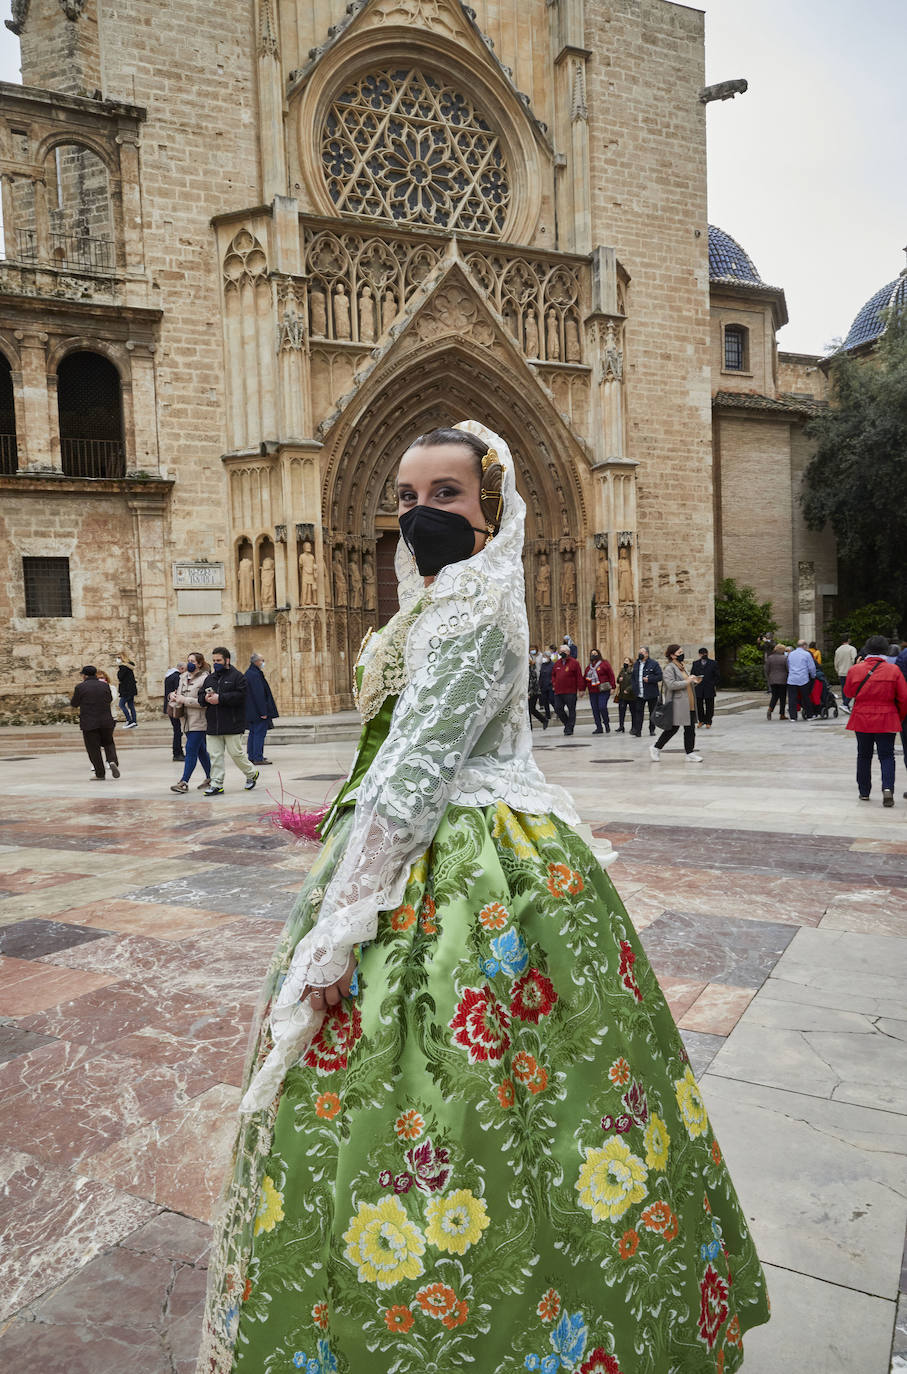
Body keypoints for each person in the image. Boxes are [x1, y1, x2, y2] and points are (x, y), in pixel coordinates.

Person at [196, 420, 768, 1374]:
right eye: (409, 497)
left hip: (469, 868)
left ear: (491, 509)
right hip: (454, 847)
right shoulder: (440, 604)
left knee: (462, 1092)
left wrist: (337, 936)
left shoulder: (467, 607)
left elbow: (415, 778)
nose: (422, 514)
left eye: (447, 495)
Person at [843, 635, 907, 807]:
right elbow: (903, 698)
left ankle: (864, 791)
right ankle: (887, 789)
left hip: (862, 717)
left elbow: (848, 693)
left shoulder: (856, 670)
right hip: (887, 717)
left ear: (867, 650)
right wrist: (898, 717)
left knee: (863, 755)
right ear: (886, 650)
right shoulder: (894, 671)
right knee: (887, 756)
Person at [197, 648, 259, 796]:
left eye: (218, 660)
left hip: (232, 723)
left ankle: (252, 773)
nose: (216, 663)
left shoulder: (238, 677)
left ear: (227, 660)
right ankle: (217, 784)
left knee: (236, 753)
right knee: (215, 755)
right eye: (214, 661)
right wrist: (205, 698)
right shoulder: (210, 678)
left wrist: (221, 698)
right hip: (213, 724)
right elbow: (200, 695)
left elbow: (241, 696)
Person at [650, 644, 703, 763]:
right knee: (672, 728)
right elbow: (671, 685)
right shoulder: (670, 668)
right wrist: (687, 680)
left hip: (689, 703)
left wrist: (694, 681)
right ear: (672, 655)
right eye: (679, 653)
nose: (682, 654)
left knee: (690, 729)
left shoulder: (682, 667)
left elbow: (686, 683)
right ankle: (656, 747)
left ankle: (690, 753)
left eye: (682, 652)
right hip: (677, 704)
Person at [169, 653, 212, 793]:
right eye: (188, 661)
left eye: (192, 661)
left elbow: (204, 703)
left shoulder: (205, 679)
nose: (189, 664)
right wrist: (173, 696)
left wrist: (184, 700)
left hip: (199, 721)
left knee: (191, 749)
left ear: (199, 664)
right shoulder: (182, 678)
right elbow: (178, 694)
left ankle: (184, 782)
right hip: (185, 721)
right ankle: (211, 777)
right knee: (201, 751)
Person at [70, 665, 120, 781]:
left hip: (89, 722)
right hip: (106, 720)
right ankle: (112, 760)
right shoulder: (105, 686)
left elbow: (74, 703)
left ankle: (100, 773)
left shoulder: (80, 687)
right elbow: (108, 700)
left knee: (93, 748)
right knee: (108, 743)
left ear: (84, 675)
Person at [245, 651, 279, 765]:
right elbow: (259, 694)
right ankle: (258, 757)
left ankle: (252, 756)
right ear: (256, 662)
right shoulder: (255, 675)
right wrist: (263, 711)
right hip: (258, 711)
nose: (263, 662)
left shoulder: (250, 673)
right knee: (259, 734)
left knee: (253, 733)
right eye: (262, 660)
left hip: (252, 711)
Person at [551, 642, 585, 735]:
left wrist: (581, 689)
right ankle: (567, 724)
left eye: (564, 651)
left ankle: (570, 728)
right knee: (558, 708)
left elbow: (579, 676)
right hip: (558, 691)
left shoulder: (574, 663)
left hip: (570, 691)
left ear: (568, 652)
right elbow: (553, 675)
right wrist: (554, 683)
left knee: (571, 710)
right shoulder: (557, 663)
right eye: (560, 651)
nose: (562, 653)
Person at [629, 645, 662, 736]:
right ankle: (638, 731)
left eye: (642, 652)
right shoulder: (636, 664)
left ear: (647, 654)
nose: (640, 653)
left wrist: (649, 679)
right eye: (639, 652)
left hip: (651, 693)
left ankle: (652, 729)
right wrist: (634, 687)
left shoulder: (653, 663)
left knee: (652, 712)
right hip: (639, 693)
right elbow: (633, 678)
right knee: (638, 712)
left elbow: (659, 676)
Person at [584, 649, 615, 733]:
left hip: (603, 690)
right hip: (592, 691)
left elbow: (611, 675)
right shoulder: (589, 667)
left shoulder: (604, 664)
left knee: (602, 707)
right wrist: (582, 689)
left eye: (595, 653)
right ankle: (599, 727)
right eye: (592, 654)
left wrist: (613, 687)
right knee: (595, 709)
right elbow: (585, 679)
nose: (593, 655)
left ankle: (606, 724)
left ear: (599, 654)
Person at [786, 639, 816, 721]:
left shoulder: (791, 654)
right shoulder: (806, 654)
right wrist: (813, 676)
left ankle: (793, 717)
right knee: (806, 697)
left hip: (792, 679)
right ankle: (809, 715)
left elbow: (788, 665)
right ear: (804, 645)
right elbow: (811, 667)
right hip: (803, 678)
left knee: (792, 698)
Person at [164, 661, 187, 760]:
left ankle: (178, 751)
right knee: (178, 731)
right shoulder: (177, 677)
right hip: (175, 708)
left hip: (170, 706)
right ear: (181, 669)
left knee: (177, 730)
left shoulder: (169, 676)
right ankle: (177, 753)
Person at [693, 647, 719, 728]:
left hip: (709, 688)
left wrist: (713, 684)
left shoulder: (713, 663)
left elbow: (717, 676)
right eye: (702, 654)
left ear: (707, 654)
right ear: (699, 654)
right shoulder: (695, 663)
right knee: (699, 705)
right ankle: (701, 720)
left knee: (709, 706)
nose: (704, 655)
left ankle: (708, 721)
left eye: (705, 654)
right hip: (699, 688)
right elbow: (692, 674)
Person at [765, 643, 789, 720]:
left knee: (774, 696)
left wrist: (769, 677)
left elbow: (767, 670)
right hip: (783, 680)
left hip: (772, 680)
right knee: (782, 698)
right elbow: (788, 669)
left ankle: (770, 709)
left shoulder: (770, 658)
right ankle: (782, 714)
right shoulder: (785, 658)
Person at [834, 635, 857, 712]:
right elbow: (854, 660)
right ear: (848, 640)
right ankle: (845, 704)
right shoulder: (852, 649)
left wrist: (838, 671)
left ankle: (845, 705)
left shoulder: (838, 650)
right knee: (853, 689)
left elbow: (836, 663)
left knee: (844, 689)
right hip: (850, 672)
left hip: (841, 672)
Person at [115, 652, 138, 728]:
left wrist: (119, 668)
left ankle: (129, 720)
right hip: (131, 689)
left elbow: (120, 677)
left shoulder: (123, 667)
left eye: (118, 658)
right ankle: (134, 722)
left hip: (126, 690)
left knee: (121, 704)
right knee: (131, 705)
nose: (117, 659)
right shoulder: (129, 665)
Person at [614, 655, 635, 732]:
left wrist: (628, 689)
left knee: (633, 711)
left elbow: (634, 682)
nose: (625, 662)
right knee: (621, 711)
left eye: (627, 661)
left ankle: (633, 727)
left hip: (631, 695)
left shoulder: (633, 671)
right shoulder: (622, 670)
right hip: (622, 695)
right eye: (624, 661)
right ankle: (621, 726)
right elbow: (618, 680)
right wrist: (619, 679)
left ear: (630, 663)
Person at [527, 653, 548, 728]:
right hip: (529, 693)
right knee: (531, 709)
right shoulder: (525, 670)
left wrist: (529, 694)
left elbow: (532, 683)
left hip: (534, 693)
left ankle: (530, 726)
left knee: (530, 709)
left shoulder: (531, 671)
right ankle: (543, 720)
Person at [537, 651, 556, 723]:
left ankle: (557, 711)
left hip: (550, 685)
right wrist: (540, 684)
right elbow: (541, 675)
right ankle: (548, 715)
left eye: (545, 656)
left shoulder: (553, 665)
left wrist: (553, 683)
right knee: (545, 701)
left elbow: (554, 675)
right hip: (543, 686)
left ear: (548, 657)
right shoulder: (543, 665)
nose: (544, 658)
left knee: (552, 699)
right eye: (543, 656)